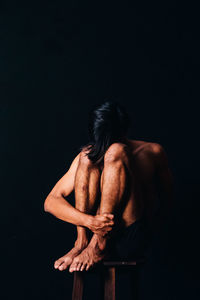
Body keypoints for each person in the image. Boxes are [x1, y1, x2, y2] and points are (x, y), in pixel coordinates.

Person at [44, 100, 173, 273]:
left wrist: (150, 230)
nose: (104, 147)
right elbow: (50, 202)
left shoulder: (152, 152)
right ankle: (83, 242)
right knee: (86, 155)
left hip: (129, 236)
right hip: (90, 238)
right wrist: (90, 222)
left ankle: (100, 244)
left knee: (116, 152)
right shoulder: (91, 153)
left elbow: (167, 200)